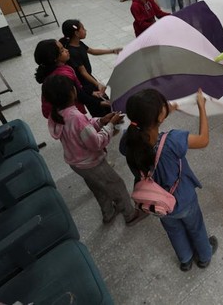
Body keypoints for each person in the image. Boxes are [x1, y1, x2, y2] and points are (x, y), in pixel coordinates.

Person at [123, 88, 218, 271]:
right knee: (196, 226)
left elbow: (142, 128)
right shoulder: (172, 140)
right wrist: (202, 108)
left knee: (173, 230)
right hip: (183, 199)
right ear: (160, 117)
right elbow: (203, 140)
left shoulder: (129, 140)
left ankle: (185, 259)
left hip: (158, 204)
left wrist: (165, 111)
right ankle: (205, 255)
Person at [43, 75, 146, 226]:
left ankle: (108, 213)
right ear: (72, 93)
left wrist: (101, 120)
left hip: (76, 163)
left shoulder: (56, 114)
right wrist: (110, 125)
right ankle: (130, 215)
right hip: (91, 163)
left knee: (97, 187)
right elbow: (96, 142)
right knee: (116, 185)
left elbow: (83, 129)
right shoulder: (76, 117)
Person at [60, 19, 121, 117]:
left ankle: (112, 118)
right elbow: (83, 72)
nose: (86, 30)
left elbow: (92, 51)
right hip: (84, 86)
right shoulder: (73, 52)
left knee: (106, 102)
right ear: (76, 33)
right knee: (98, 108)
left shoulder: (79, 44)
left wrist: (112, 51)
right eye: (83, 28)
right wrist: (98, 84)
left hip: (89, 81)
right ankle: (105, 125)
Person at [34, 39, 108, 119]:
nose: (67, 50)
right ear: (54, 58)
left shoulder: (62, 68)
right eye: (62, 50)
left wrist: (91, 92)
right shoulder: (61, 77)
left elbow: (78, 87)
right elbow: (79, 95)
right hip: (64, 116)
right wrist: (101, 103)